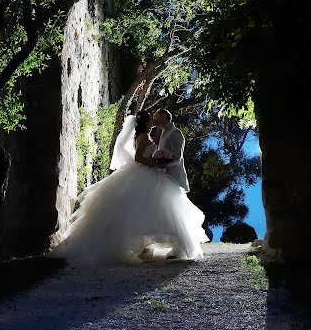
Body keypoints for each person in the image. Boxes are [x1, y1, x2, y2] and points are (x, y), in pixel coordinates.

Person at [50, 110, 209, 264]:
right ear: (146, 122)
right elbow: (138, 157)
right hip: (145, 172)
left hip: (152, 173)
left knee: (149, 210)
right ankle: (132, 246)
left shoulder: (150, 135)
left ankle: (151, 246)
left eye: (156, 118)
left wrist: (158, 162)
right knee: (141, 209)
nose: (154, 121)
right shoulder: (142, 136)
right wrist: (154, 163)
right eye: (152, 119)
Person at [153, 109, 189, 192]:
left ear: (163, 116)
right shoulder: (163, 132)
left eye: (156, 116)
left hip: (174, 178)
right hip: (163, 177)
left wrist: (162, 165)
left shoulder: (175, 132)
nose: (154, 119)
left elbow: (177, 158)